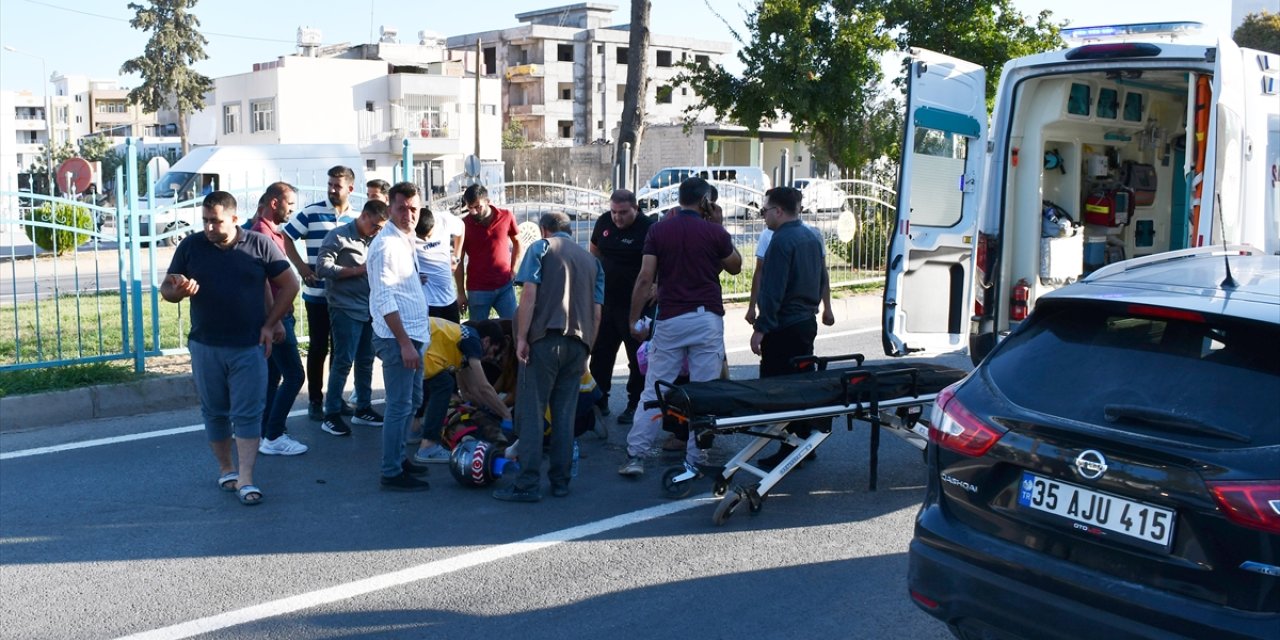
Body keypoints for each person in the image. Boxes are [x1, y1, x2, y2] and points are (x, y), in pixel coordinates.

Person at [161, 191, 299, 506]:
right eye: (206, 221)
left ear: (235, 219)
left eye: (216, 221)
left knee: (248, 413)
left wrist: (270, 323)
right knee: (215, 411)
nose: (209, 227)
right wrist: (178, 290)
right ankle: (227, 470)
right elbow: (166, 290)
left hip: (249, 345)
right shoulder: (191, 246)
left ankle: (247, 479)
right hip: (206, 345)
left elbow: (289, 284)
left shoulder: (259, 244)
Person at [619, 177, 742, 477]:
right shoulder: (714, 232)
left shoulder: (659, 230)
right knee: (703, 390)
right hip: (706, 317)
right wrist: (719, 224)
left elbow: (645, 277)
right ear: (705, 202)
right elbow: (736, 265)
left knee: (655, 388)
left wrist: (634, 318)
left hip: (671, 318)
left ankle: (636, 454)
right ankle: (696, 457)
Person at [493, 212, 604, 502]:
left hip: (544, 341)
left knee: (532, 413)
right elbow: (596, 312)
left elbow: (529, 295)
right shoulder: (592, 261)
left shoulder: (541, 248)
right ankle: (561, 481)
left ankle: (527, 483)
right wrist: (587, 349)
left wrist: (520, 338)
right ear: (569, 229)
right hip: (578, 344)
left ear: (545, 230)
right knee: (564, 414)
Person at [749, 186, 831, 468]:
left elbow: (773, 291)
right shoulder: (811, 237)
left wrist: (761, 327)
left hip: (783, 326)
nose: (763, 216)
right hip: (805, 322)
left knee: (779, 392)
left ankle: (790, 448)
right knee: (800, 385)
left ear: (779, 211)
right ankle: (804, 443)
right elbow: (822, 276)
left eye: (765, 210)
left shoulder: (781, 240)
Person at [367, 181, 432, 491]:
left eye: (414, 208)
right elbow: (383, 298)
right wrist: (405, 344)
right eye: (402, 208)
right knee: (398, 405)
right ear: (390, 208)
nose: (409, 214)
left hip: (414, 335)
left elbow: (396, 286)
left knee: (411, 401)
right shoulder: (386, 244)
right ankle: (391, 471)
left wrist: (414, 281)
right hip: (398, 340)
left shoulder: (405, 239)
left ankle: (399, 459)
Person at [283, 165, 358, 421]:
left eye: (337, 185)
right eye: (330, 185)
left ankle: (335, 400)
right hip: (316, 294)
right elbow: (287, 236)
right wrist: (302, 267)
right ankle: (315, 400)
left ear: (350, 188)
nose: (332, 190)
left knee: (341, 349)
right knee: (318, 347)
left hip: (344, 297)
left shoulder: (356, 218)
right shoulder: (311, 212)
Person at [314, 198, 390, 436]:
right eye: (375, 225)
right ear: (364, 216)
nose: (378, 230)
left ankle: (363, 408)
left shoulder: (377, 239)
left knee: (366, 360)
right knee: (343, 361)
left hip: (369, 308)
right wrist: (356, 270)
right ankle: (332, 413)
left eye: (381, 227)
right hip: (345, 307)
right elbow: (322, 268)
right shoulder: (338, 236)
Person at [249, 183, 309, 457]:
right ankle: (273, 434)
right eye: (290, 205)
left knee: (274, 376)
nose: (292, 211)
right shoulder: (261, 233)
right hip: (276, 316)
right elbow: (262, 283)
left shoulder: (269, 231)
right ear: (275, 203)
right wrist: (275, 322)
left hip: (276, 316)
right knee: (295, 375)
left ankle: (266, 432)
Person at [588, 189, 654, 426]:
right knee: (600, 354)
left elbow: (662, 261)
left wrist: (657, 284)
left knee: (637, 358)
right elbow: (594, 250)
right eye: (614, 212)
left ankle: (635, 404)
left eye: (623, 212)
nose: (617, 217)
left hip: (636, 305)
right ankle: (599, 401)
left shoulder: (649, 227)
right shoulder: (604, 221)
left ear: (635, 208)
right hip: (606, 302)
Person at [411, 318, 514, 464]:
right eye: (493, 351)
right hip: (416, 342)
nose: (490, 358)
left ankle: (412, 431)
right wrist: (506, 414)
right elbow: (484, 387)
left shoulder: (462, 343)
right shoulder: (473, 341)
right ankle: (428, 446)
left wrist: (486, 408)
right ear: (486, 341)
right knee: (443, 384)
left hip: (415, 339)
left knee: (438, 382)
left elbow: (472, 389)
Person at [456, 184, 520, 321]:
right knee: (479, 333)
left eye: (478, 206)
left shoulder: (506, 216)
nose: (474, 211)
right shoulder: (463, 225)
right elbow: (458, 260)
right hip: (478, 290)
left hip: (505, 286)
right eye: (470, 207)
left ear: (487, 201)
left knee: (514, 326)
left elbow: (518, 243)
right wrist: (461, 293)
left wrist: (513, 269)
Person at [414, 204, 465, 322]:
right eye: (421, 238)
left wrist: (457, 256)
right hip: (427, 302)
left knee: (454, 337)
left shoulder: (444, 220)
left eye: (429, 236)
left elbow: (461, 228)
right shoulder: (407, 231)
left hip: (449, 298)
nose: (426, 240)